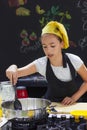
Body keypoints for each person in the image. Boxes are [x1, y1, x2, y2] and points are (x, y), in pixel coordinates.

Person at [6, 21, 87, 105]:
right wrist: (13, 67)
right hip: (51, 105)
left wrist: (73, 98)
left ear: (62, 44)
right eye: (45, 46)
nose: (48, 50)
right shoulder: (42, 63)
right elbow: (16, 73)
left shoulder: (74, 60)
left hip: (73, 105)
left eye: (52, 46)